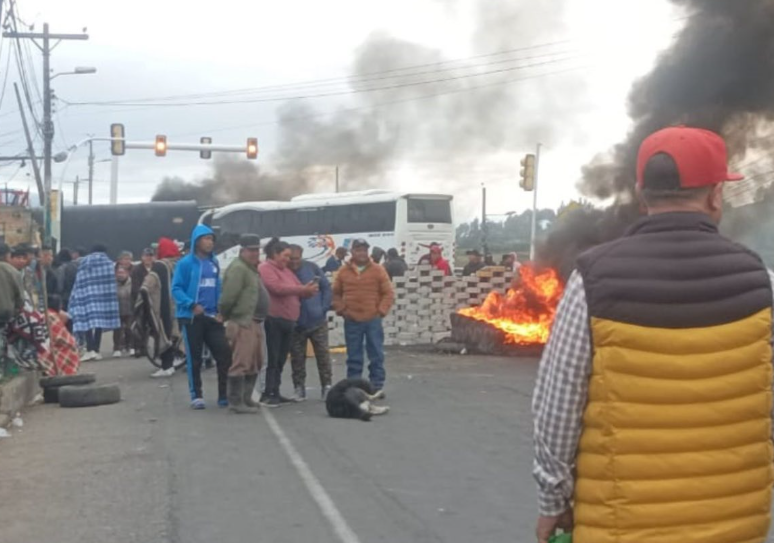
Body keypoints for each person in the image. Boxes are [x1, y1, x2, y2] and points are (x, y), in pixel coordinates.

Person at [532, 126, 774, 543]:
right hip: (735, 524)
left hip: (622, 526)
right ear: (716, 195)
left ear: (642, 195)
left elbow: (557, 407)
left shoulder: (592, 280)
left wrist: (553, 503)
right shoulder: (761, 282)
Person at [172, 225, 231, 409]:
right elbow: (176, 288)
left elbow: (217, 288)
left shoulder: (214, 264)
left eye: (212, 239)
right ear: (197, 241)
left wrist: (221, 310)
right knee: (194, 358)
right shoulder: (185, 263)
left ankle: (223, 395)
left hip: (213, 318)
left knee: (224, 355)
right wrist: (191, 304)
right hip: (192, 318)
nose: (210, 242)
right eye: (206, 239)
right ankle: (196, 395)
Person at [258, 238, 319, 407]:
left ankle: (275, 391)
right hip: (273, 319)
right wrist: (302, 290)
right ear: (275, 254)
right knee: (272, 357)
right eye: (285, 256)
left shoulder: (286, 271)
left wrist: (308, 290)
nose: (288, 260)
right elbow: (277, 288)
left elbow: (297, 287)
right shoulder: (265, 269)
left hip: (288, 320)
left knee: (280, 358)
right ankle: (267, 392)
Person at [332, 239, 394, 393]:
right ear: (352, 252)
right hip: (352, 320)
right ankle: (354, 387)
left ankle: (376, 387)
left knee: (376, 355)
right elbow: (335, 293)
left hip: (373, 319)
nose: (362, 253)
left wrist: (381, 311)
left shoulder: (378, 270)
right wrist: (342, 310)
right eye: (358, 250)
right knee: (354, 357)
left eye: (364, 250)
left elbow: (388, 293)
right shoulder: (343, 271)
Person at [219, 234, 265, 414]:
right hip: (242, 320)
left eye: (256, 250)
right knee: (242, 360)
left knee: (255, 360)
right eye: (251, 250)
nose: (255, 253)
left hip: (253, 320)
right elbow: (228, 297)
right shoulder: (239, 269)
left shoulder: (250, 268)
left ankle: (246, 397)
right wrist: (225, 315)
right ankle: (236, 401)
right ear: (242, 250)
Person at [288, 244, 333, 401]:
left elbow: (326, 288)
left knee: (323, 355)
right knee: (297, 358)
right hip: (296, 323)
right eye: (291, 258)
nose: (294, 262)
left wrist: (323, 308)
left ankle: (327, 386)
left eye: (297, 258)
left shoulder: (312, 268)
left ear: (302, 255)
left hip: (317, 321)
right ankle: (299, 388)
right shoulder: (284, 272)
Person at [68, 244, 120, 361]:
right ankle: (97, 350)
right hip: (103, 298)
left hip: (87, 295)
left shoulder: (85, 262)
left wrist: (74, 296)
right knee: (98, 324)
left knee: (87, 323)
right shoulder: (109, 263)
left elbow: (79, 280)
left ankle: (90, 349)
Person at [142, 238, 182, 377]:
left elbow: (148, 285)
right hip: (178, 305)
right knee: (174, 334)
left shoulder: (159, 265)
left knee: (163, 333)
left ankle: (166, 366)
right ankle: (173, 362)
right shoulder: (178, 264)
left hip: (163, 306)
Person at [0, 243, 24, 367]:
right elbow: (20, 299)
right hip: (5, 311)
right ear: (6, 255)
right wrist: (17, 310)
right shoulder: (13, 272)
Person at [44, 295, 79, 376]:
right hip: (51, 347)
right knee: (71, 351)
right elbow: (61, 337)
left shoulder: (53, 314)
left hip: (53, 344)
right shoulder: (51, 316)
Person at [113, 265, 133, 357]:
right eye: (118, 273)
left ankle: (129, 346)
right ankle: (117, 348)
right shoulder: (113, 284)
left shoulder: (132, 282)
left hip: (129, 310)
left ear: (127, 273)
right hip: (117, 310)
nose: (120, 275)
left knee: (129, 329)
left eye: (122, 273)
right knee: (117, 330)